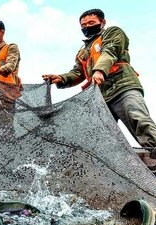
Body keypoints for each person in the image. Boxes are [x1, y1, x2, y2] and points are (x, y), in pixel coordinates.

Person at [42, 9, 156, 155]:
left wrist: (100, 70)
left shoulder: (113, 33)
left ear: (102, 22)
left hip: (122, 87)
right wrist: (62, 78)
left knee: (139, 120)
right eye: (83, 25)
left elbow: (110, 51)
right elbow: (77, 72)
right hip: (99, 97)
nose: (87, 27)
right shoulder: (83, 52)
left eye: (91, 23)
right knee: (100, 134)